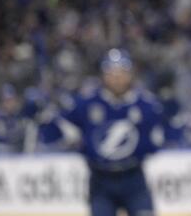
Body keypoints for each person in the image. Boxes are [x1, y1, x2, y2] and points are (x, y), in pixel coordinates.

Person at [41, 49, 164, 216]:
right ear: (103, 75)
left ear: (130, 74)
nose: (116, 77)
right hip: (101, 181)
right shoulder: (86, 103)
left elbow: (159, 139)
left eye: (121, 72)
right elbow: (56, 134)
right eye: (111, 72)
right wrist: (50, 117)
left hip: (134, 178)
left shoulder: (146, 104)